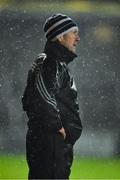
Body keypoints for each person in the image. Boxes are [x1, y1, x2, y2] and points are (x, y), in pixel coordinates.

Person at [22, 13, 83, 179]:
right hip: (51, 142)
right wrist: (57, 126)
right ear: (60, 37)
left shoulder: (56, 63)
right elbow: (43, 95)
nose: (77, 38)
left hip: (55, 144)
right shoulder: (50, 62)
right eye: (74, 33)